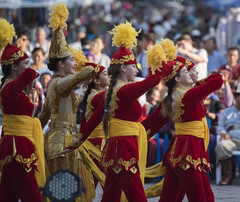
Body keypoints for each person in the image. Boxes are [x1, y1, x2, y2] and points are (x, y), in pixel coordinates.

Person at [62, 21, 161, 202]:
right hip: (124, 150)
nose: (136, 70)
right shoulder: (123, 90)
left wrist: (76, 142)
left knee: (111, 197)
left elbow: (92, 121)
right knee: (137, 196)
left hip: (114, 149)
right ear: (123, 68)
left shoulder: (111, 92)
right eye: (133, 67)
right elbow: (153, 80)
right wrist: (158, 64)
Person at [142, 43, 223, 201]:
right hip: (188, 153)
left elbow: (153, 123)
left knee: (171, 198)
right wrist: (197, 80)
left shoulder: (174, 97)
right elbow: (217, 80)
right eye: (188, 71)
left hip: (182, 151)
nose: (194, 73)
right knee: (202, 197)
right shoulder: (187, 97)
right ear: (178, 78)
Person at [38, 4, 99, 201]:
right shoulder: (59, 84)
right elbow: (89, 71)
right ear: (61, 64)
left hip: (62, 140)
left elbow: (44, 114)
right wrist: (86, 71)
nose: (75, 63)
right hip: (62, 143)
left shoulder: (55, 85)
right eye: (72, 60)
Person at [0, 18, 45, 202]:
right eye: (24, 63)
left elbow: (28, 74)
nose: (28, 66)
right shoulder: (8, 88)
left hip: (21, 146)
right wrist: (31, 68)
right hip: (15, 149)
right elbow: (30, 74)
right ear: (13, 66)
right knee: (33, 198)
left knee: (7, 198)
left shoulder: (15, 88)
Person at [78, 62, 109, 189]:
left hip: (97, 141)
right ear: (96, 80)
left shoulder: (96, 95)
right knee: (102, 181)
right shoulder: (98, 96)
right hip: (97, 143)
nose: (109, 77)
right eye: (106, 74)